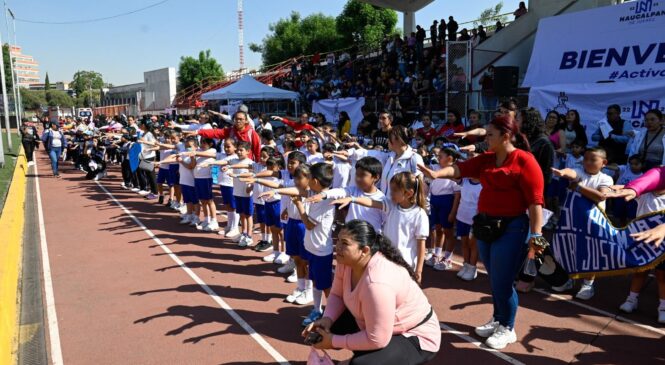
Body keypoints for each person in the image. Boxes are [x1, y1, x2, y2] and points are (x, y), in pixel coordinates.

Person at [418, 116, 545, 349]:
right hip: (485, 225)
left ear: (505, 137)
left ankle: (507, 327)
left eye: (489, 135)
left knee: (503, 281)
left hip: (512, 228)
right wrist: (436, 174)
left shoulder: (525, 161)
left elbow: (536, 203)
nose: (485, 139)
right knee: (495, 279)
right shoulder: (487, 159)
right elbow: (460, 168)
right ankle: (498, 319)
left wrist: (537, 236)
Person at [302, 220, 440, 365]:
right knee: (328, 327)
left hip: (415, 335)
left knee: (362, 363)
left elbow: (377, 339)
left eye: (345, 243)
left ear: (365, 251)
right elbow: (337, 294)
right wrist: (327, 319)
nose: (338, 248)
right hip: (382, 327)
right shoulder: (346, 263)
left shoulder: (377, 283)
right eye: (338, 241)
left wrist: (333, 341)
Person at [552, 147, 613, 300]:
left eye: (592, 159)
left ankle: (588, 284)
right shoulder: (580, 171)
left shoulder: (606, 179)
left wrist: (578, 187)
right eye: (585, 159)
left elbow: (601, 196)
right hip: (571, 220)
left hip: (593, 223)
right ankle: (568, 279)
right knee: (569, 247)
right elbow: (571, 172)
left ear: (603, 162)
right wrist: (563, 173)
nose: (587, 162)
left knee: (591, 252)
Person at [425, 147, 461, 271]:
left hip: (447, 202)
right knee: (438, 229)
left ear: (450, 158)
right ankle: (437, 254)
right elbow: (426, 171)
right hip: (435, 201)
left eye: (441, 156)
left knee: (448, 231)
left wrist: (453, 212)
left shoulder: (454, 172)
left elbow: (457, 195)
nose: (438, 158)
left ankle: (448, 258)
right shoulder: (436, 168)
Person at [197, 111, 261, 160]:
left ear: (246, 121)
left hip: (246, 166)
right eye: (236, 119)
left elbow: (257, 151)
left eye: (241, 119)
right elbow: (215, 132)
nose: (238, 121)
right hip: (231, 164)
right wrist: (198, 132)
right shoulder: (230, 131)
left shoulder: (252, 133)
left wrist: (257, 166)